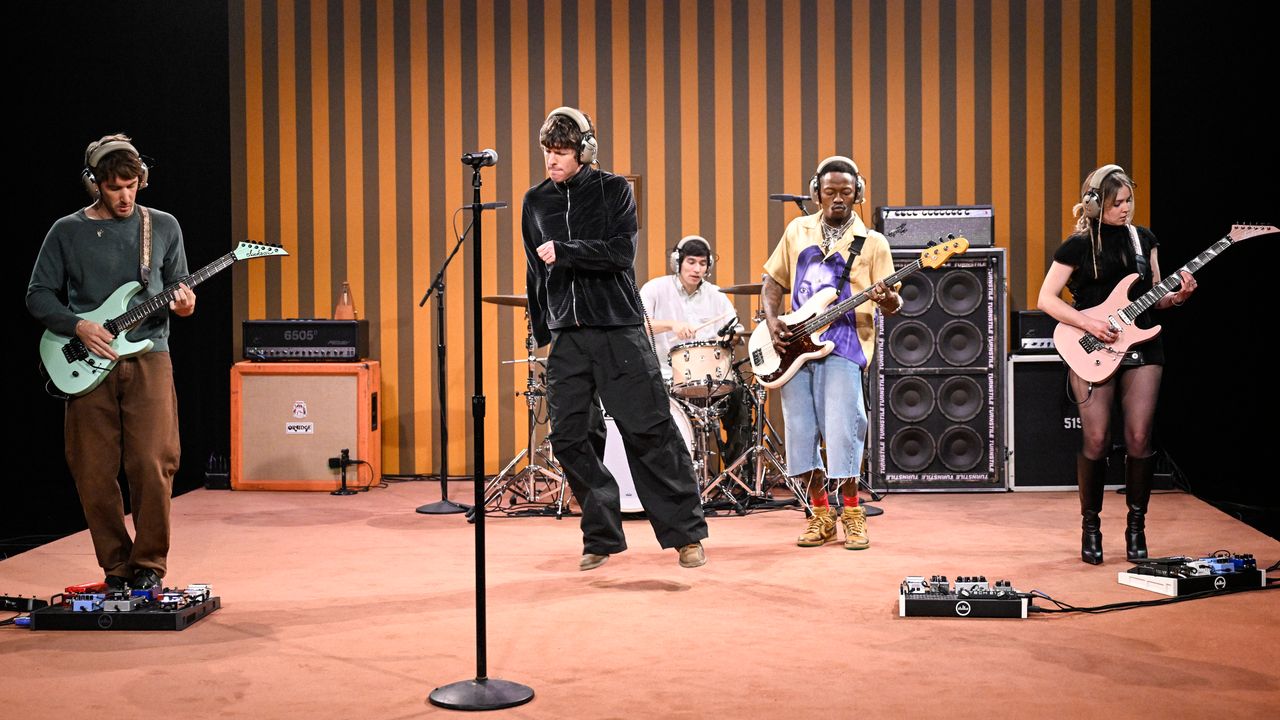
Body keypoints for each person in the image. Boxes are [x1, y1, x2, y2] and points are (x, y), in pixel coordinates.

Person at [521, 106, 708, 571]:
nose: (552, 159)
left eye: (562, 151)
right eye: (547, 150)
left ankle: (686, 536)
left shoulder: (614, 191)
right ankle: (601, 536)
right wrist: (543, 328)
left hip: (618, 330)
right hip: (568, 335)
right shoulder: (535, 201)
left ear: (585, 151)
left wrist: (567, 251)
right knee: (569, 437)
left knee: (650, 430)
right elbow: (533, 270)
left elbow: (622, 253)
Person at [27, 134, 195, 590]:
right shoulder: (67, 231)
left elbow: (180, 287)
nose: (125, 196)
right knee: (92, 469)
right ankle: (116, 568)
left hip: (149, 356)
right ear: (95, 184)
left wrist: (185, 305)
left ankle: (149, 566)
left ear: (143, 180)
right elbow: (38, 295)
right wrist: (78, 325)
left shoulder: (163, 226)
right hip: (87, 362)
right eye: (114, 187)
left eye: (132, 185)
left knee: (153, 463)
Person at [1037, 164, 1195, 564]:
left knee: (1140, 438)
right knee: (1096, 439)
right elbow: (1046, 299)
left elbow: (1155, 295)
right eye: (1116, 203)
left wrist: (1177, 298)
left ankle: (1136, 527)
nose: (1125, 209)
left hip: (1143, 347)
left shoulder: (1144, 240)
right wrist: (1089, 323)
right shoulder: (1076, 246)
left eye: (1128, 201)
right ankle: (1091, 527)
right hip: (1093, 346)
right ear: (1094, 205)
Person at [761, 155, 900, 550]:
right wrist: (772, 321)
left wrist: (886, 298)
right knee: (801, 433)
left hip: (845, 345)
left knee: (843, 431)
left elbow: (893, 304)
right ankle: (820, 515)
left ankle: (853, 514)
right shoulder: (797, 230)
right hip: (795, 348)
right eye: (830, 191)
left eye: (846, 192)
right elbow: (773, 282)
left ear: (858, 194)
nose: (838, 198)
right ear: (816, 194)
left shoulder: (873, 242)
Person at [639, 235, 752, 476]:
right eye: (691, 262)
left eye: (702, 263)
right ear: (677, 262)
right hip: (665, 376)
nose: (697, 269)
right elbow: (639, 325)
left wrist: (730, 337)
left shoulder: (716, 295)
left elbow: (735, 330)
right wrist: (671, 325)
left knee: (740, 397)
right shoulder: (655, 289)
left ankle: (737, 475)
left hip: (711, 378)